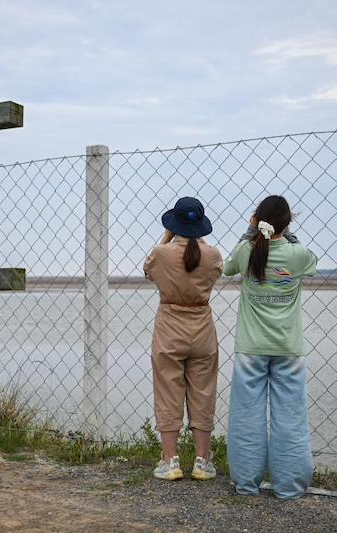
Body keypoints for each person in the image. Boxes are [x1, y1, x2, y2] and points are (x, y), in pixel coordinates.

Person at [223, 195, 317, 499]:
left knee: (246, 415)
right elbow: (311, 265)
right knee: (290, 415)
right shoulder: (298, 253)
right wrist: (286, 235)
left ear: (256, 220)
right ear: (288, 222)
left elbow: (226, 269)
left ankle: (247, 484)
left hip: (250, 347)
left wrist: (250, 233)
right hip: (288, 347)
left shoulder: (246, 251)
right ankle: (288, 486)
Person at [143, 197, 224, 480]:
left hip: (169, 326)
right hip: (201, 326)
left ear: (174, 224)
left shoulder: (161, 253)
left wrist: (167, 237)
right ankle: (202, 460)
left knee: (168, 391)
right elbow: (213, 272)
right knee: (203, 392)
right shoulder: (213, 255)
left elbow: (147, 270)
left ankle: (170, 460)